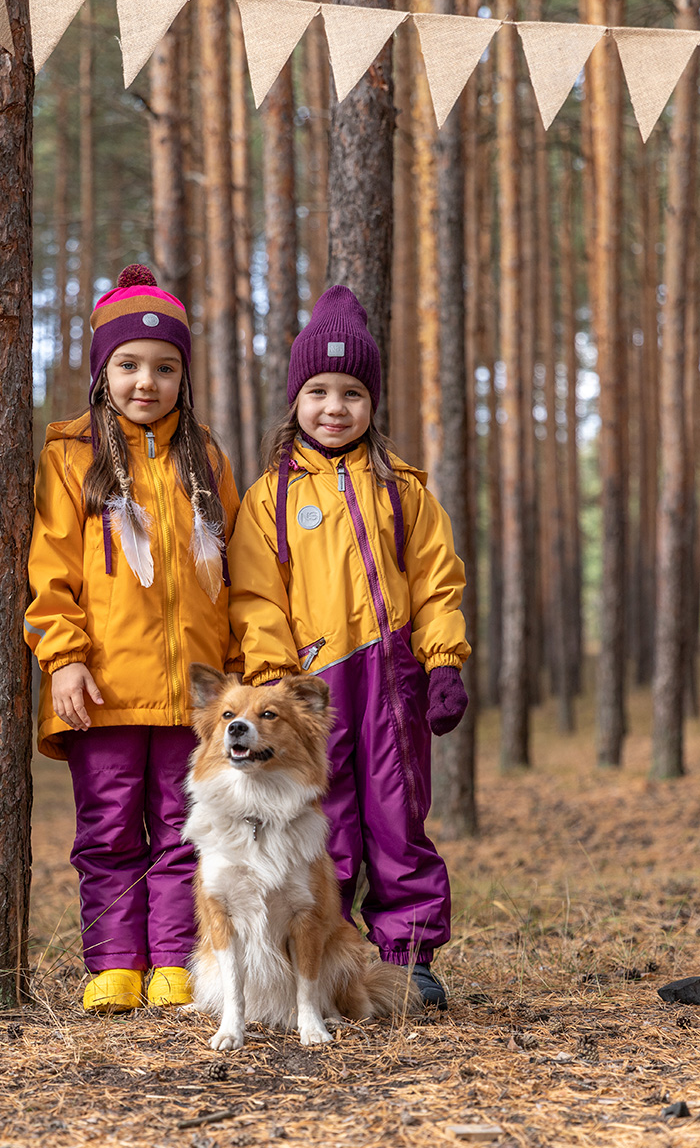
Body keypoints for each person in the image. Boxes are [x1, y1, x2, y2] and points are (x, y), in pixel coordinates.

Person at [227, 284, 470, 1009]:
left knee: (398, 818)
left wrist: (444, 660)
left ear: (373, 403)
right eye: (320, 391)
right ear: (296, 400)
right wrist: (273, 681)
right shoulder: (269, 497)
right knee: (319, 825)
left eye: (353, 393)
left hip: (393, 681)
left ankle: (409, 955)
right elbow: (255, 593)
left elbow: (437, 582)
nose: (335, 408)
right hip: (308, 693)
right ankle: (319, 963)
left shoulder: (403, 491)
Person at [25, 264, 240, 1015]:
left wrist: (240, 677)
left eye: (164, 367)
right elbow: (50, 570)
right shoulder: (70, 455)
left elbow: (237, 573)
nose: (146, 382)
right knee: (109, 830)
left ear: (183, 375)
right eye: (129, 366)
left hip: (195, 697)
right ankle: (115, 961)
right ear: (102, 372)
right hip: (106, 689)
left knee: (187, 831)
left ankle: (176, 959)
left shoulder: (207, 459)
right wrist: (63, 658)